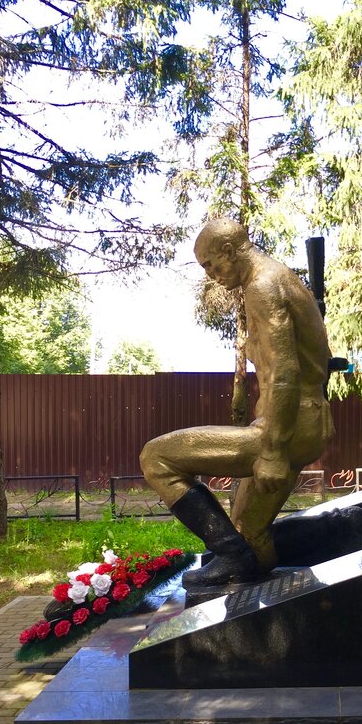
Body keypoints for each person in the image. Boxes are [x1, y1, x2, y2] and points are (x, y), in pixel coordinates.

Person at [140, 217, 335, 586]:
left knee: (157, 457)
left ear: (230, 251)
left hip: (289, 428)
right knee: (250, 535)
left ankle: (229, 554)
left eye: (211, 264)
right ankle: (339, 529)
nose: (211, 274)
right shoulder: (279, 278)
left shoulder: (262, 284)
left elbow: (283, 372)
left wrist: (274, 451)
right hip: (302, 422)